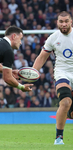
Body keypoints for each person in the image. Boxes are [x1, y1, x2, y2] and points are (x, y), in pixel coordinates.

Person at [32, 11, 73, 145]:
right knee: (65, 101)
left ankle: (68, 113)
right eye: (61, 21)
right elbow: (42, 57)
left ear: (71, 21)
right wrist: (32, 73)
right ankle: (59, 138)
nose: (64, 24)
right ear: (57, 22)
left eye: (66, 21)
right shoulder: (53, 38)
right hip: (62, 72)